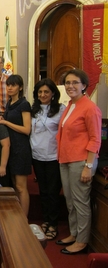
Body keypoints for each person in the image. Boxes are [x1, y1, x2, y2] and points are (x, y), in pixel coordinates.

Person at [56, 69, 102, 255]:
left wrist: (88, 166)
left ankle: (82, 241)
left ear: (84, 85)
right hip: (66, 159)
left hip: (81, 161)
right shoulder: (70, 105)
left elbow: (95, 139)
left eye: (75, 82)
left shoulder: (90, 107)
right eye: (67, 83)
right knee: (70, 201)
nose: (70, 86)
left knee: (80, 202)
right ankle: (74, 233)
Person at [0, 74, 32, 216]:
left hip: (21, 148)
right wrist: (2, 118)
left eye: (13, 85)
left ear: (20, 87)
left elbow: (26, 129)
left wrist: (5, 122)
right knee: (15, 184)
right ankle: (19, 215)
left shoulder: (24, 104)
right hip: (11, 147)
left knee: (21, 187)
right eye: (8, 85)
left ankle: (24, 219)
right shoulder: (9, 103)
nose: (9, 88)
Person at [30, 78, 65, 240]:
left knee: (52, 192)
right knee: (43, 191)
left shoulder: (61, 110)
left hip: (53, 156)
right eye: (40, 92)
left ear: (53, 94)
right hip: (37, 156)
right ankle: (46, 220)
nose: (43, 95)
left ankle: (53, 224)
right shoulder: (33, 110)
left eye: (46, 92)